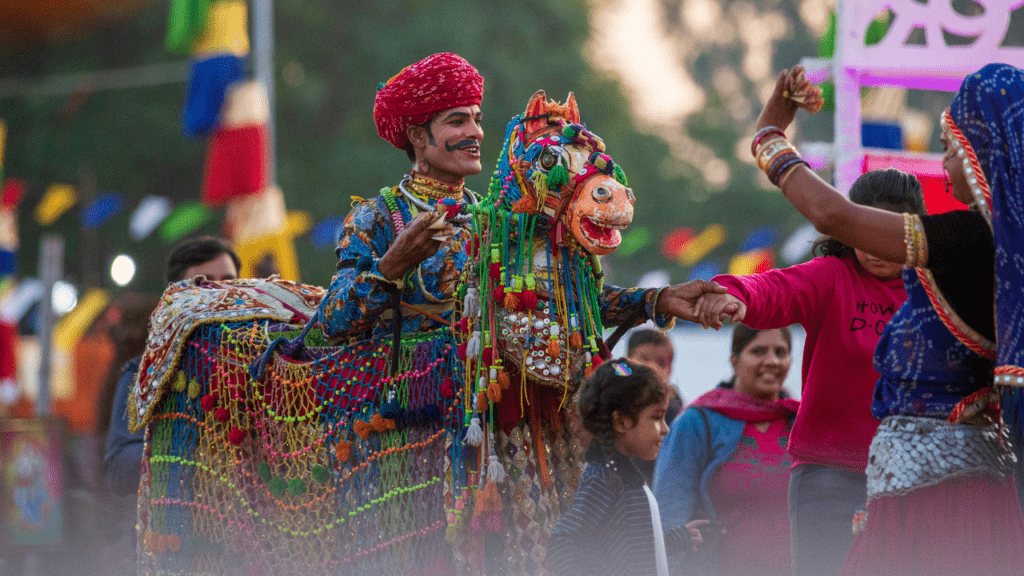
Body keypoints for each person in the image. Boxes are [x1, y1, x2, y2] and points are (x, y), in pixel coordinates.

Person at [313, 52, 731, 575]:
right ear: (417, 137)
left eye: (478, 119)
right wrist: (392, 265)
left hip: (517, 430)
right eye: (456, 121)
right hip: (416, 436)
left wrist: (656, 300)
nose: (475, 133)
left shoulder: (504, 221)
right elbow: (327, 326)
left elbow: (566, 300)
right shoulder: (377, 217)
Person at [746, 63, 1024, 575]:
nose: (943, 161)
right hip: (950, 488)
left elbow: (834, 218)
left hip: (933, 498)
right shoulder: (1005, 250)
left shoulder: (970, 240)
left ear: (979, 150)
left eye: (948, 144)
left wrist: (768, 138)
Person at [693, 168, 924, 576]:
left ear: (913, 232)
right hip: (829, 477)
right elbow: (773, 289)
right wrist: (733, 295)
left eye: (884, 232)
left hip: (916, 478)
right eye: (861, 232)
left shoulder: (933, 288)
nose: (872, 247)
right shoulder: (833, 275)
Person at [654, 325, 798, 576]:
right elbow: (669, 512)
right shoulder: (697, 422)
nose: (772, 361)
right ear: (734, 360)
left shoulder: (801, 422)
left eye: (781, 352)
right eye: (759, 351)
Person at [104, 236, 240, 496]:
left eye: (230, 282)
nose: (221, 292)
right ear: (177, 296)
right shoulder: (145, 373)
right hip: (177, 527)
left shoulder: (264, 366)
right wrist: (190, 452)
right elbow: (119, 468)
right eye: (204, 283)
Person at [547, 358, 708, 576]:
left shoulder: (621, 475)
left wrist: (676, 538)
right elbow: (563, 539)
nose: (665, 429)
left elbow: (631, 542)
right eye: (656, 417)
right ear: (621, 422)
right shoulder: (604, 478)